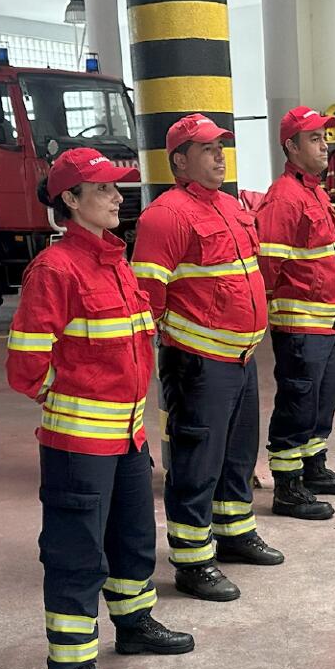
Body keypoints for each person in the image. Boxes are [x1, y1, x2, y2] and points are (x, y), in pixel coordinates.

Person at [6, 148, 194, 669]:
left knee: (133, 539)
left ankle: (133, 625)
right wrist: (70, 401)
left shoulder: (117, 262)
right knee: (76, 554)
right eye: (105, 189)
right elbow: (25, 367)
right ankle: (73, 666)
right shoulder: (56, 269)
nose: (118, 197)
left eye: (118, 188)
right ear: (70, 199)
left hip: (128, 439)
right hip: (78, 446)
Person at [131, 114, 282, 603]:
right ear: (179, 160)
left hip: (240, 358)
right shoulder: (165, 216)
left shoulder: (230, 207)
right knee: (197, 464)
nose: (220, 156)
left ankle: (234, 534)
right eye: (208, 149)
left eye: (222, 147)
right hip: (198, 364)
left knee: (237, 457)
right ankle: (193, 561)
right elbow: (148, 297)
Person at [255, 106, 335, 520]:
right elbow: (268, 267)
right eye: (314, 138)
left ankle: (313, 468)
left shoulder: (313, 191)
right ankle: (287, 487)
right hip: (299, 324)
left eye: (324, 137)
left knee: (322, 400)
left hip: (325, 322)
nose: (324, 146)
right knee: (298, 403)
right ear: (291, 146)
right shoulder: (284, 197)